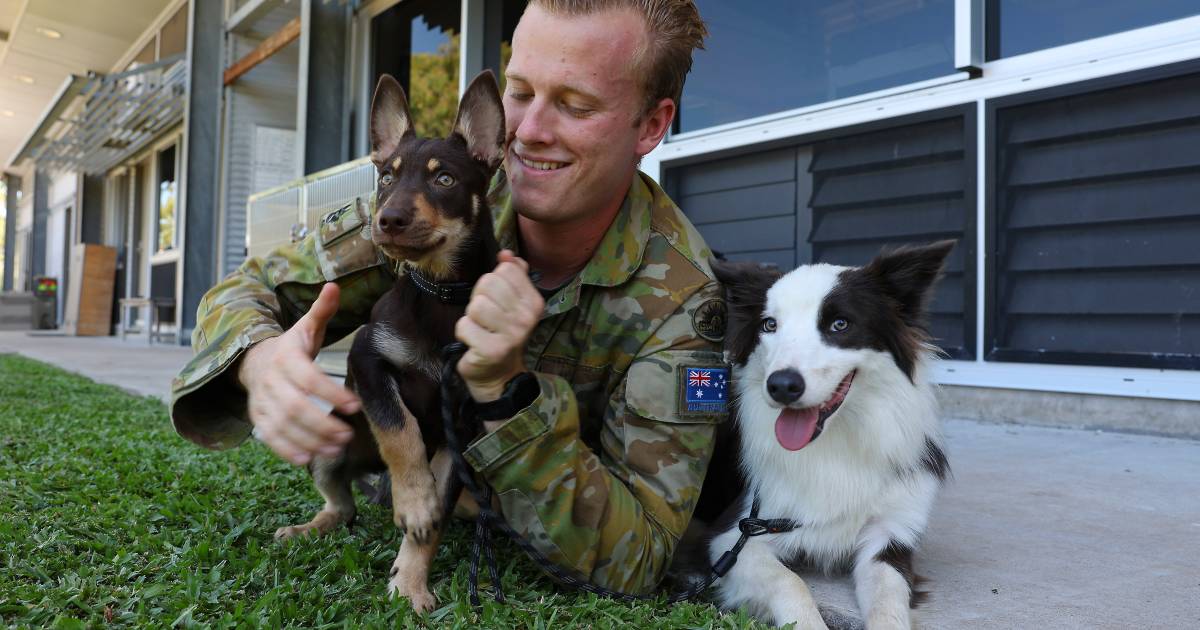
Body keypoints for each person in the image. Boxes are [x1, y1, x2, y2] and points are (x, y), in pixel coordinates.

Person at [170, 0, 726, 594]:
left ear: (650, 126)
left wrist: (506, 394)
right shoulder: (436, 204)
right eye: (519, 92)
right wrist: (258, 360)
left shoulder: (683, 307)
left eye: (576, 104)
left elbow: (639, 559)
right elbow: (250, 285)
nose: (528, 133)